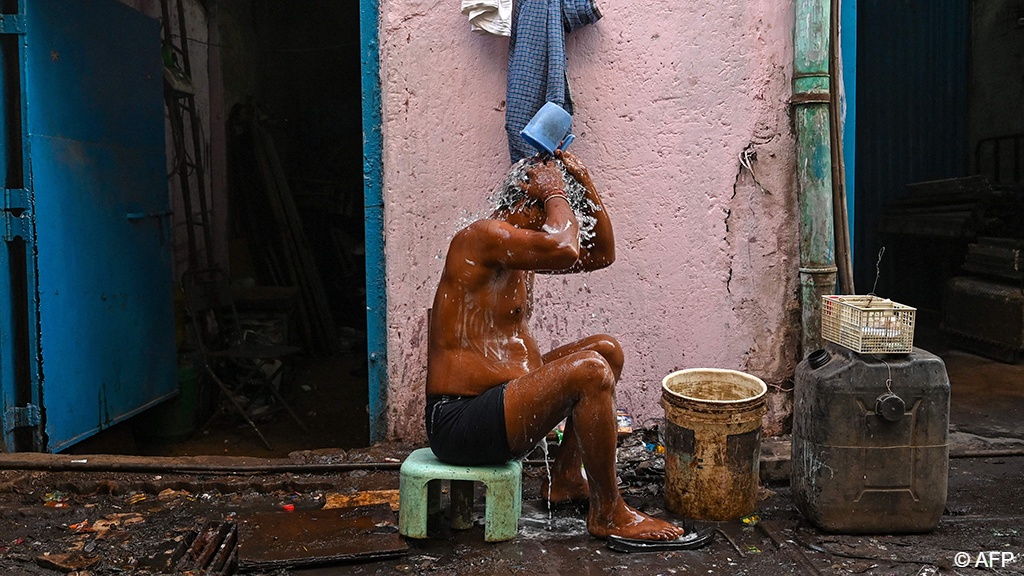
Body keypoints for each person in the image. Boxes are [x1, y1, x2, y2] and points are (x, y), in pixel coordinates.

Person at [425, 150, 703, 544]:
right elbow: (565, 246)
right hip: (460, 422)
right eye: (546, 212)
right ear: (523, 202)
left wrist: (584, 182)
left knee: (605, 350)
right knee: (590, 371)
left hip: (501, 406)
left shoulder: (517, 253)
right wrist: (556, 192)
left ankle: (567, 478)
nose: (552, 223)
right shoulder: (482, 237)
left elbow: (601, 254)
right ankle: (610, 513)